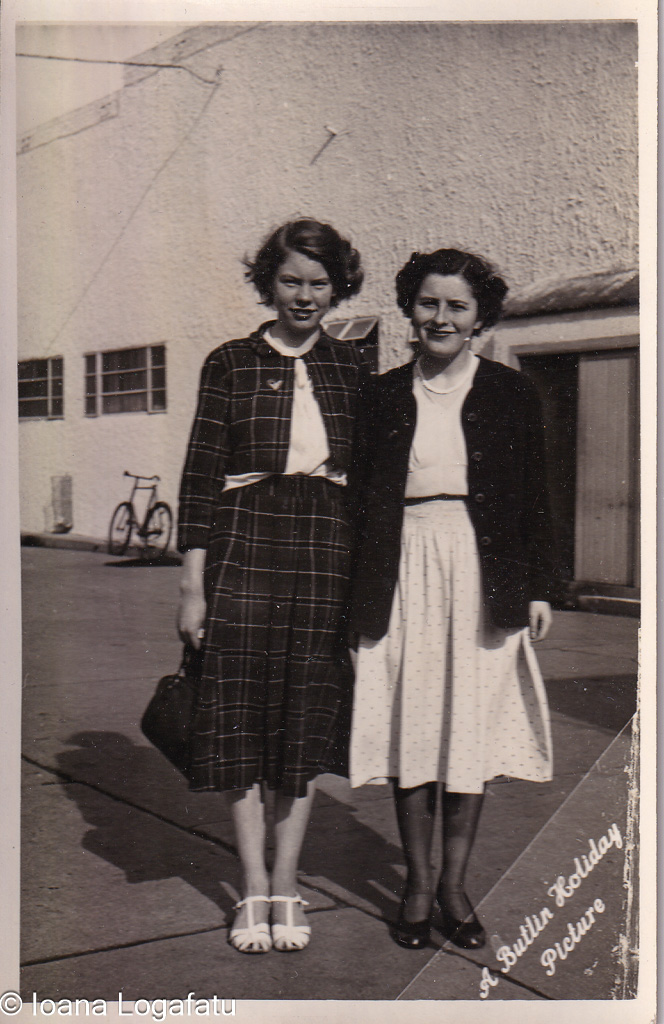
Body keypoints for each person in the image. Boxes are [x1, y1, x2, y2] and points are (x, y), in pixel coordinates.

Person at [348, 248, 555, 951]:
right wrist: (355, 604)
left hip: (481, 566)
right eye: (428, 302)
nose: (440, 317)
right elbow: (357, 508)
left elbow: (535, 495)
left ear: (479, 318)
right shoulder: (378, 396)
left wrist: (537, 589)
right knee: (413, 730)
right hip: (401, 567)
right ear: (410, 306)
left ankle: (454, 888)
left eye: (456, 306)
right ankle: (414, 883)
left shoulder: (510, 391)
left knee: (465, 737)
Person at [177, 219, 365, 953]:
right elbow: (199, 476)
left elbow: (371, 482)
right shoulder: (228, 362)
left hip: (325, 546)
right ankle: (252, 887)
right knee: (239, 717)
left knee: (301, 718)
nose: (305, 296)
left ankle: (288, 888)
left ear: (338, 287)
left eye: (319, 283)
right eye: (291, 280)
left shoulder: (354, 369)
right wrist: (193, 587)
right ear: (268, 281)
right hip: (244, 538)